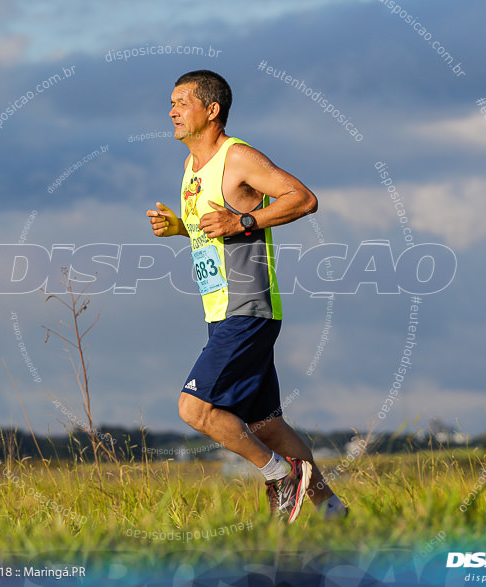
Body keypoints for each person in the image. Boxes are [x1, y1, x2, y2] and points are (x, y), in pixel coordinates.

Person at [146, 70, 347, 522]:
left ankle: (280, 476)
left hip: (248, 307)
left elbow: (303, 198)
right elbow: (213, 230)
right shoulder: (191, 168)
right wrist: (183, 228)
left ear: (211, 110)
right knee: (267, 426)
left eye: (181, 102)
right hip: (220, 312)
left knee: (194, 408)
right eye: (170, 102)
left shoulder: (237, 157)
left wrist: (245, 223)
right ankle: (333, 513)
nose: (172, 111)